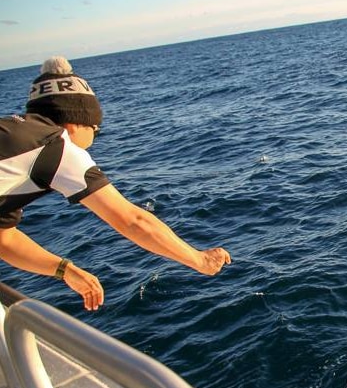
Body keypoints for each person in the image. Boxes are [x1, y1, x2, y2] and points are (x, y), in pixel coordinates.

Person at [0, 56, 231, 311]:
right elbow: (132, 220)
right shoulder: (56, 145)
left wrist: (65, 270)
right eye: (96, 130)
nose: (94, 138)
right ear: (76, 121)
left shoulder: (15, 148)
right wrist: (199, 260)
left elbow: (4, 240)